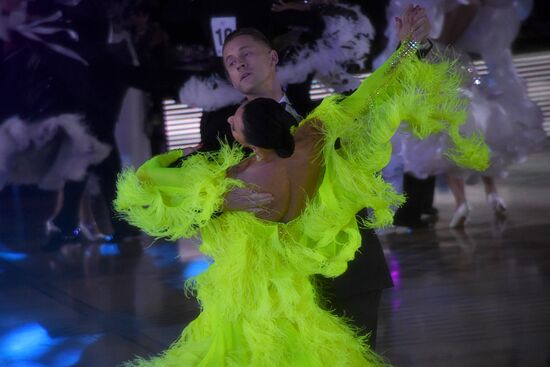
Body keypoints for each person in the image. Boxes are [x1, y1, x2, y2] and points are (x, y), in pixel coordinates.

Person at [114, 6, 489, 365]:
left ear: (273, 58)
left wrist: (411, 45)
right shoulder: (220, 130)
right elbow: (182, 193)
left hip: (350, 268)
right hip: (276, 289)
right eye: (230, 61)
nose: (239, 63)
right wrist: (223, 201)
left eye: (246, 54)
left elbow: (377, 90)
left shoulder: (319, 115)